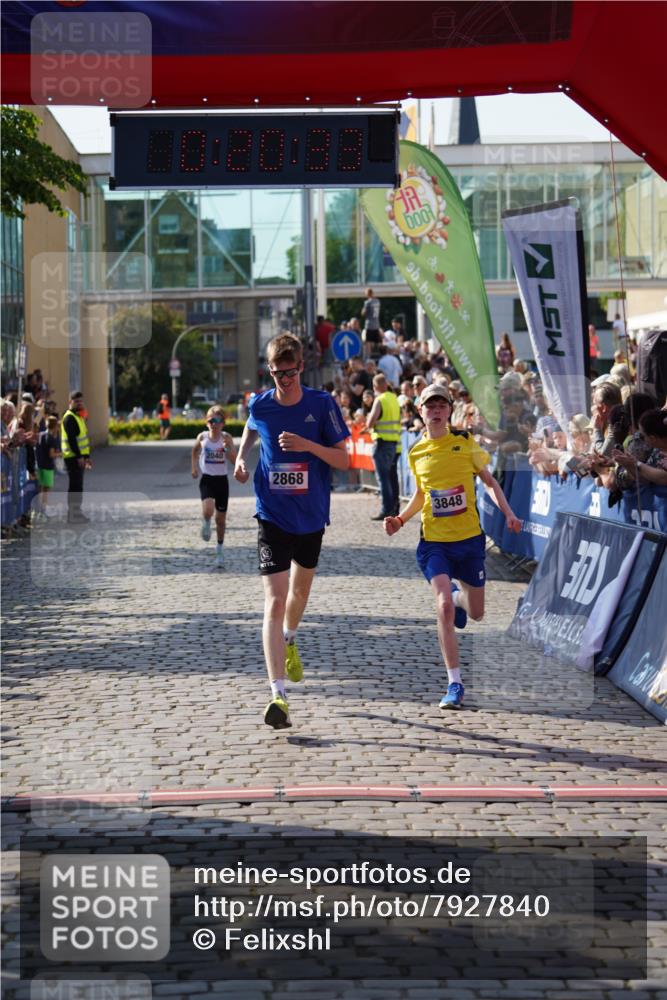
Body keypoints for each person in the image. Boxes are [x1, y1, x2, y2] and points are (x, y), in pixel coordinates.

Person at [234, 333, 349, 730]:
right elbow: (251, 428)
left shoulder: (321, 404)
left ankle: (291, 638)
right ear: (269, 371)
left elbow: (344, 460)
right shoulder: (260, 404)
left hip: (311, 516)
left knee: (299, 595)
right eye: (278, 374)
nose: (285, 380)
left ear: (301, 367)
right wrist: (241, 458)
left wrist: (307, 445)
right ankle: (278, 695)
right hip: (272, 514)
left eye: (291, 373)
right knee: (275, 600)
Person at [384, 383, 520, 709]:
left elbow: (489, 481)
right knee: (442, 606)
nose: (435, 411)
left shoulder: (465, 442)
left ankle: (461, 598)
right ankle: (454, 683)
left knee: (477, 613)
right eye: (429, 406)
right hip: (435, 542)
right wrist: (401, 519)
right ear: (420, 411)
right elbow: (421, 494)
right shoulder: (416, 452)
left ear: (449, 410)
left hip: (469, 540)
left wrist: (509, 513)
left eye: (441, 405)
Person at [191, 405, 237, 569]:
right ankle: (205, 522)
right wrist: (194, 468)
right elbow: (194, 451)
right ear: (206, 422)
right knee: (208, 509)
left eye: (217, 420)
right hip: (207, 479)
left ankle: (219, 550)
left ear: (223, 423)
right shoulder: (202, 437)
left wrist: (227, 447)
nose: (214, 424)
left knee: (221, 520)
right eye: (211, 420)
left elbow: (234, 460)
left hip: (222, 481)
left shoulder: (226, 437)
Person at [365, 373, 401, 520]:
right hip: (394, 443)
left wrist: (368, 421)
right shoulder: (394, 398)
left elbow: (370, 423)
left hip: (381, 443)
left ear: (375, 386)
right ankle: (395, 508)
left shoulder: (379, 400)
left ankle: (386, 509)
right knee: (392, 477)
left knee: (383, 478)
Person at [61, 391, 92, 523]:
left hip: (78, 457)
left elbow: (83, 439)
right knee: (75, 487)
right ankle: (73, 515)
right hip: (72, 457)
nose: (79, 403)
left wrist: (86, 456)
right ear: (70, 402)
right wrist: (80, 457)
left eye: (80, 401)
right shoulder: (70, 418)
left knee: (78, 487)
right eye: (76, 401)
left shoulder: (78, 416)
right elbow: (72, 440)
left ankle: (76, 513)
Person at [36, 415, 61, 517]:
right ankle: (44, 508)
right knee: (46, 489)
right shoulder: (51, 439)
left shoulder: (41, 435)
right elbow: (51, 454)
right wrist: (61, 454)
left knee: (41, 488)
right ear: (55, 426)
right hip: (48, 466)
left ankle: (39, 508)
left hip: (40, 464)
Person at [361, 287, 381, 360]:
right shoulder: (377, 301)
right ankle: (379, 354)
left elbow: (364, 313)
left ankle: (369, 357)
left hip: (369, 324)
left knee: (368, 342)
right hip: (376, 324)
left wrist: (363, 310)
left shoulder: (367, 302)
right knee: (377, 341)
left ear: (367, 294)